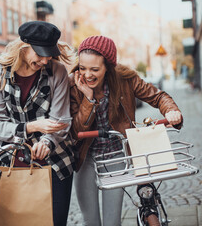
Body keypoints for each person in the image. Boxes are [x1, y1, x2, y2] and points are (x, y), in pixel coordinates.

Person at [69, 35, 183, 226]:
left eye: (94, 69)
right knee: (91, 221)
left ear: (108, 67)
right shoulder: (73, 84)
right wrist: (88, 99)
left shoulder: (125, 79)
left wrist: (172, 111)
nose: (87, 74)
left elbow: (157, 96)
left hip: (117, 157)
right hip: (86, 158)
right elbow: (76, 129)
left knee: (112, 221)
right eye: (82, 67)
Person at [0, 21, 77, 226]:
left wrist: (46, 142)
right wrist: (32, 127)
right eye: (40, 53)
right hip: (12, 161)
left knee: (54, 222)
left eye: (49, 54)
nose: (45, 60)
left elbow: (61, 119)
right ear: (23, 47)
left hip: (56, 162)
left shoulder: (57, 71)